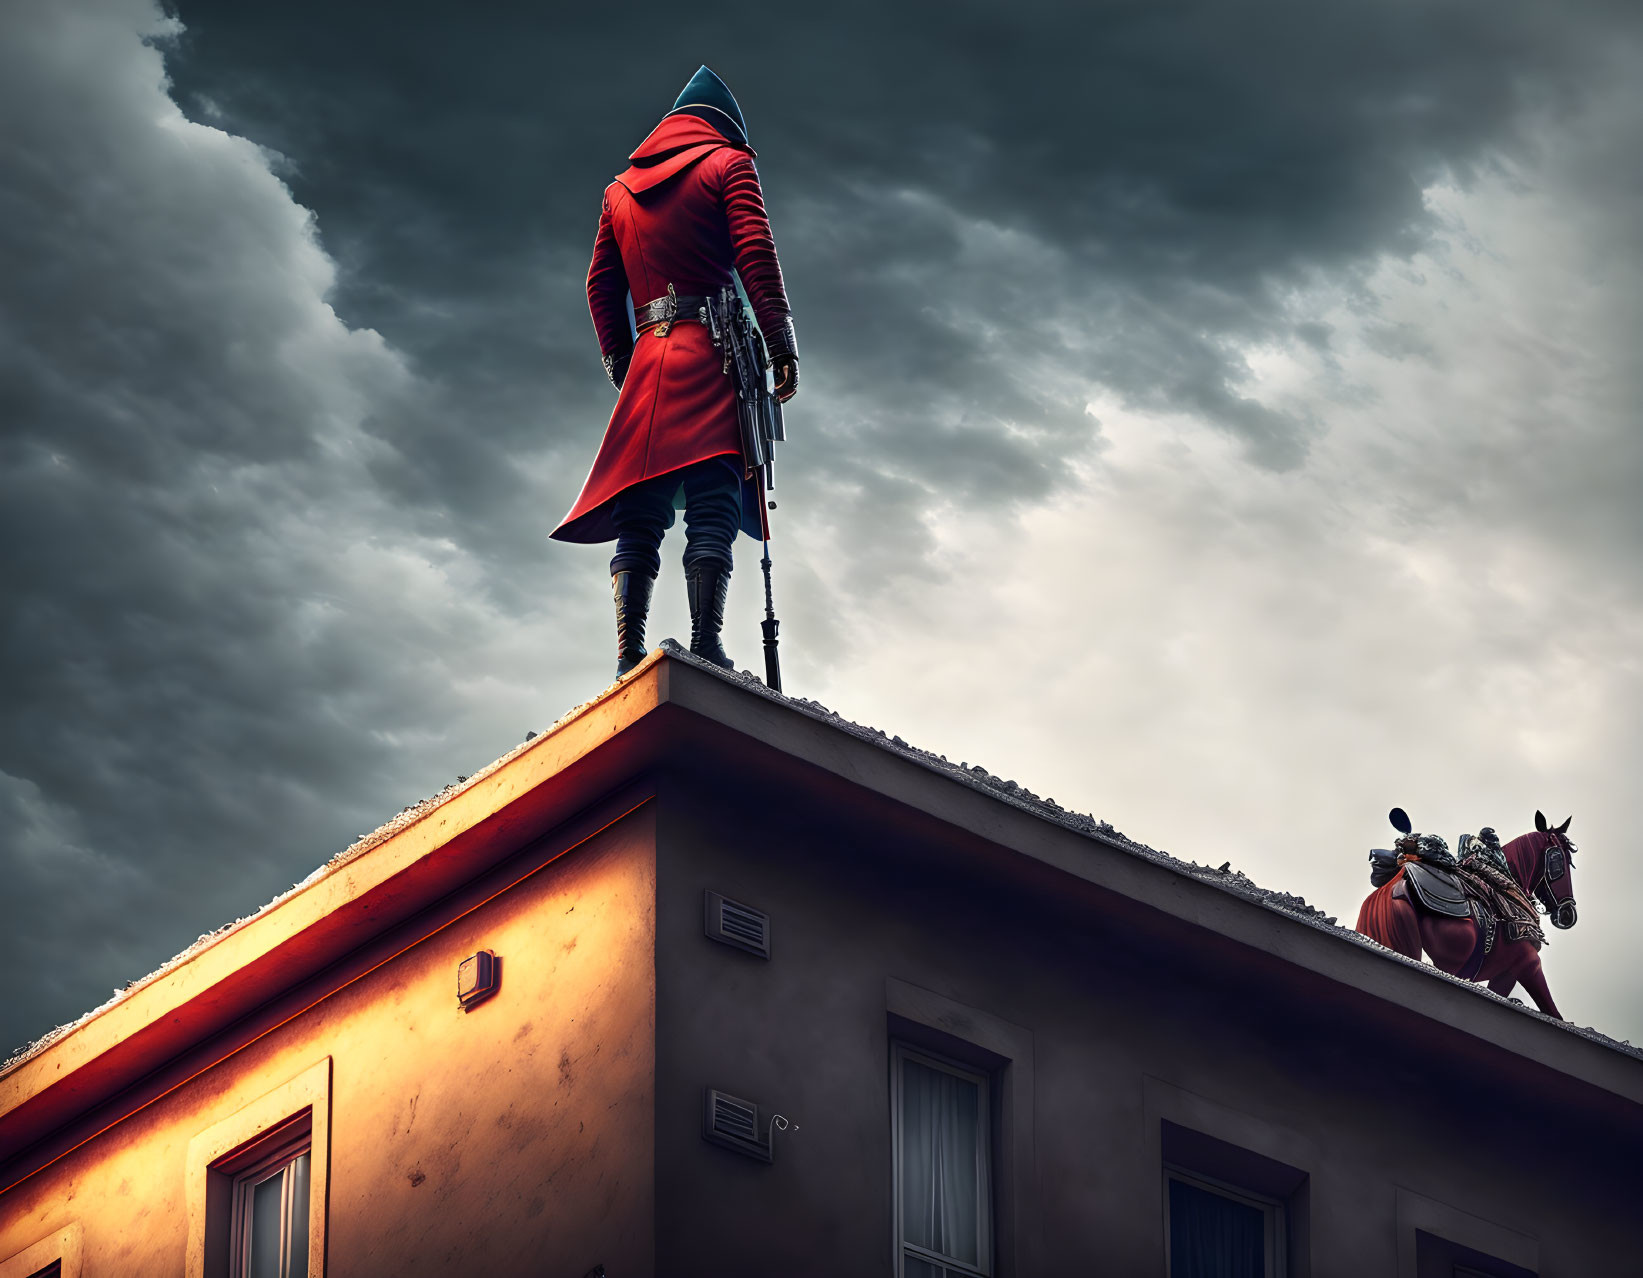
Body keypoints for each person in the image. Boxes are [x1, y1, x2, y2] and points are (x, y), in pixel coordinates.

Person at [551, 65, 799, 678]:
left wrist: (620, 356)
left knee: (642, 507)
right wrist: (781, 341)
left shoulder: (617, 192)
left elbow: (599, 285)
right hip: (713, 353)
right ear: (724, 126)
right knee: (713, 498)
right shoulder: (729, 165)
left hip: (649, 362)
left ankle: (626, 655)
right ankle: (705, 644)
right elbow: (756, 257)